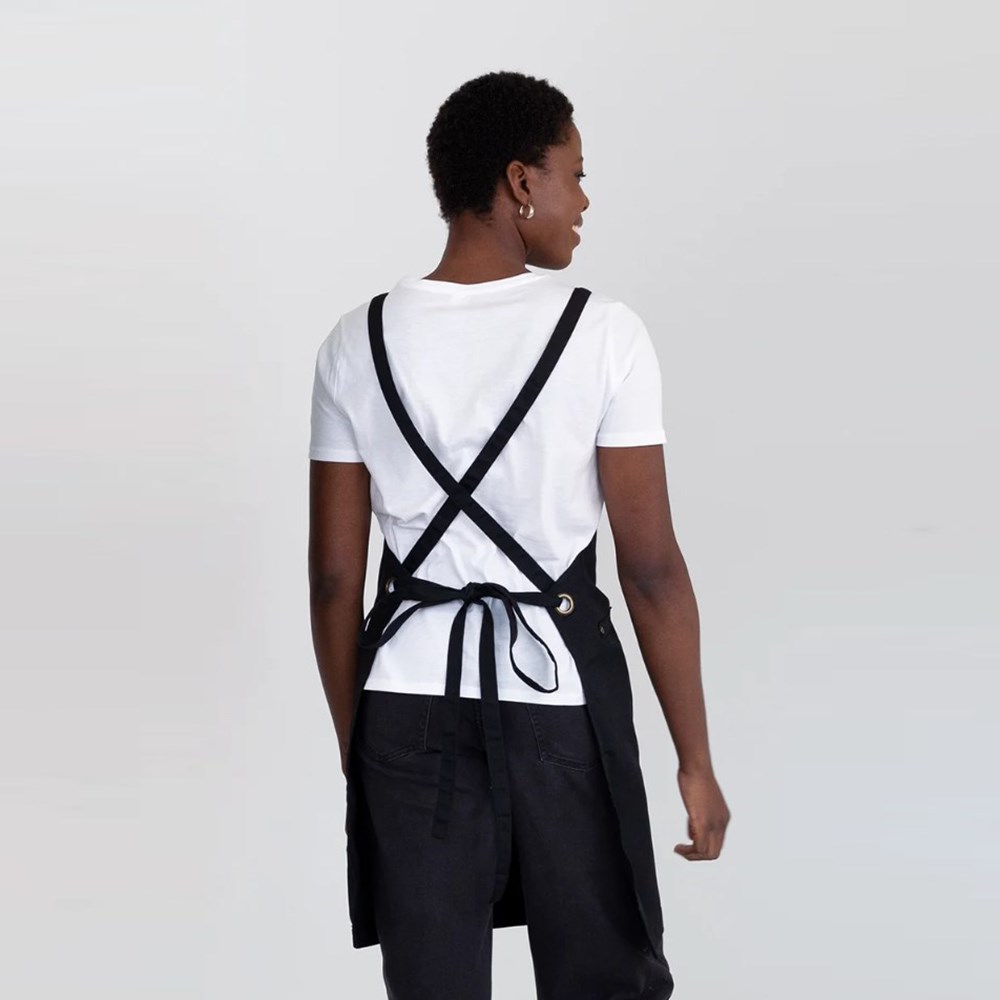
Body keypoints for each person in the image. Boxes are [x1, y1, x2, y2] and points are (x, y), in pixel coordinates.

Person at [308, 70, 729, 1000]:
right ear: (520, 182)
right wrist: (694, 762)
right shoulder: (604, 334)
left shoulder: (355, 341)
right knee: (604, 980)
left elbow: (335, 582)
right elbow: (651, 571)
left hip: (404, 706)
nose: (585, 200)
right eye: (575, 173)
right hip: (560, 703)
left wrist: (359, 747)